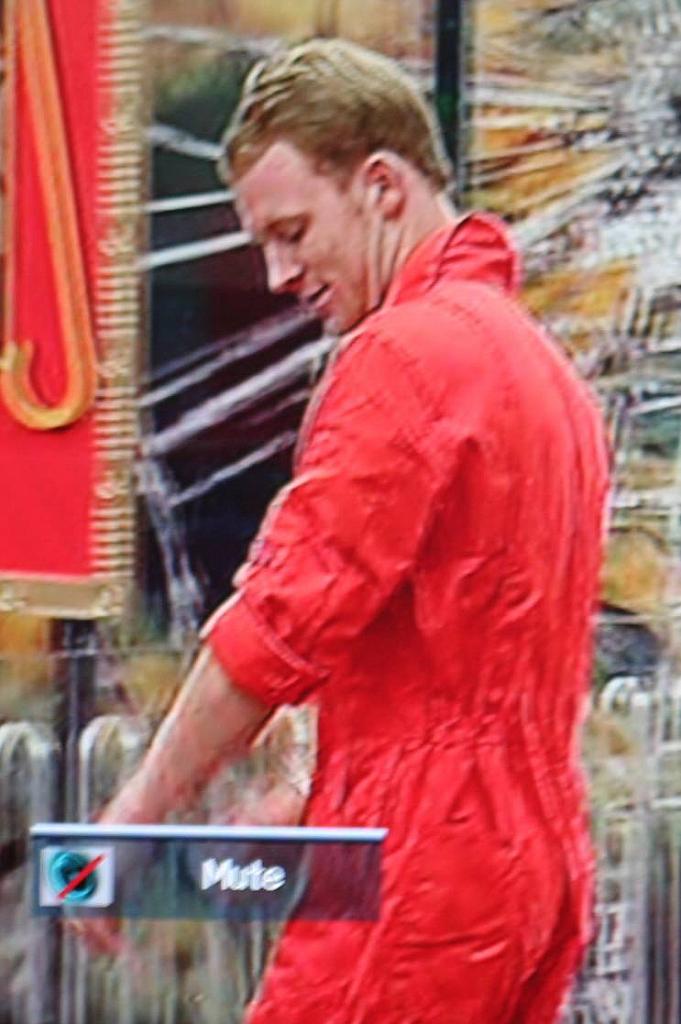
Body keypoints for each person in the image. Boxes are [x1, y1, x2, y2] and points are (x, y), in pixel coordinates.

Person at [82, 39, 610, 1023]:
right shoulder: (546, 374)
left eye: (292, 231)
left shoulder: (403, 357)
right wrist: (313, 787)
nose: (279, 273)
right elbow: (450, 634)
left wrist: (137, 813)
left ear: (381, 186)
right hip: (533, 865)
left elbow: (276, 628)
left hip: (414, 869)